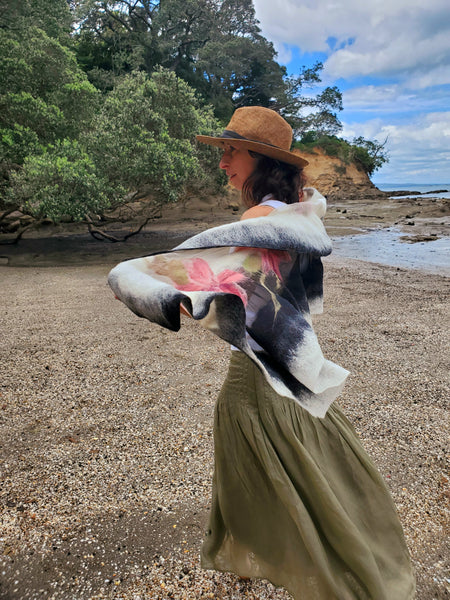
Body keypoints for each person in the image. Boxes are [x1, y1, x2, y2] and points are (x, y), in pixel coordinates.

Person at [108, 106, 415, 599]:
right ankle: (266, 549)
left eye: (232, 151)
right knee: (299, 452)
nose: (223, 161)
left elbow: (216, 281)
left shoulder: (258, 219)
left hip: (262, 365)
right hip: (288, 355)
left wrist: (154, 287)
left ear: (261, 159)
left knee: (270, 455)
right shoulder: (299, 215)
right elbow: (269, 291)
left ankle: (325, 565)